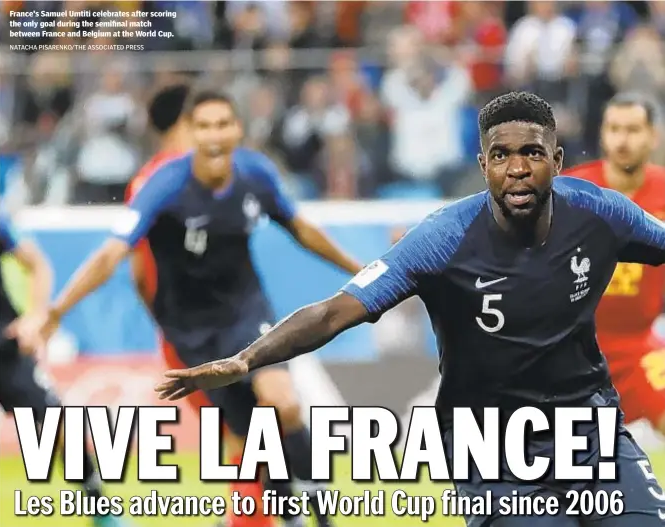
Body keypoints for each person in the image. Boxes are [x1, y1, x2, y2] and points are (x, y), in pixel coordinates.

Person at [154, 92, 665, 526]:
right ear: (482, 164)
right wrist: (247, 360)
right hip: (491, 441)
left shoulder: (601, 213)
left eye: (532, 153)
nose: (517, 169)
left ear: (556, 159)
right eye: (501, 155)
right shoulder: (444, 238)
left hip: (588, 425)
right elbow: (335, 312)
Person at [12, 88, 364, 527]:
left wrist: (363, 269)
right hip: (191, 332)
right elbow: (112, 255)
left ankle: (321, 516)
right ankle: (275, 516)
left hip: (245, 311)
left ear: (238, 129)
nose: (214, 136)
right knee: (250, 437)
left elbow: (301, 228)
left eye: (223, 124)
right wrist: (59, 309)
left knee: (283, 402)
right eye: (204, 126)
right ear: (189, 133)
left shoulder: (256, 173)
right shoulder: (163, 184)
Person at [126, 83, 279, 527]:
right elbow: (137, 267)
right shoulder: (167, 181)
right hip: (197, 329)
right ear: (182, 126)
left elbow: (138, 273)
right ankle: (247, 519)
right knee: (246, 429)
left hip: (187, 328)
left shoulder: (154, 178)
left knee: (246, 428)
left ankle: (244, 516)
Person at [0, 210, 128, 527]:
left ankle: (100, 509)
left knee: (57, 423)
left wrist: (34, 317)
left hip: (4, 349)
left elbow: (39, 265)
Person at [567, 93, 665, 439]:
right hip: (570, 347)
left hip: (638, 345)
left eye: (633, 129)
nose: (622, 139)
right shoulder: (571, 192)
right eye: (614, 129)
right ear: (602, 135)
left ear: (653, 136)